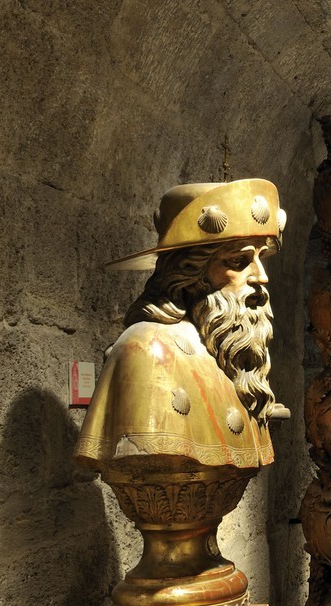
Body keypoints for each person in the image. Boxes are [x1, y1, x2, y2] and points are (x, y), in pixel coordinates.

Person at [77, 179, 287, 475]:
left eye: (261, 257)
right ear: (190, 272)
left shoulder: (231, 360)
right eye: (239, 261)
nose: (261, 277)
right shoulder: (150, 351)